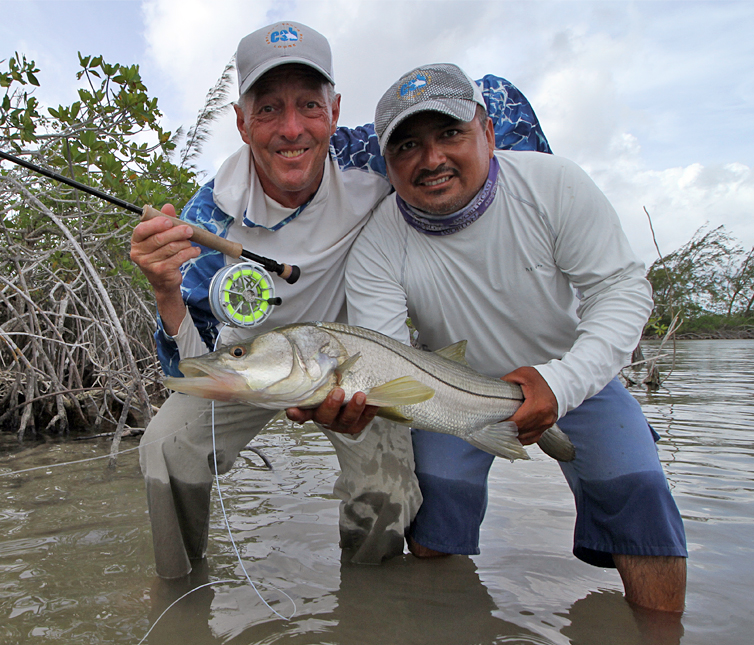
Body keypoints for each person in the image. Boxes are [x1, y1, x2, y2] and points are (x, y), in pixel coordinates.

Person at [130, 21, 551, 578]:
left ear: (334, 112)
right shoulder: (209, 217)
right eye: (268, 109)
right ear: (241, 123)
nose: (291, 129)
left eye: (309, 105)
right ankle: (179, 590)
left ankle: (367, 608)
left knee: (389, 494)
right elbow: (189, 365)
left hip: (360, 363)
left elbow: (494, 101)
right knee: (165, 447)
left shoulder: (373, 158)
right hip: (252, 364)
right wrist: (165, 289)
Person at [338, 63, 687, 612]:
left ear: (489, 132)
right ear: (387, 162)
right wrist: (351, 403)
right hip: (450, 391)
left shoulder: (555, 184)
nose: (432, 159)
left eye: (450, 133)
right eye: (407, 145)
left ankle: (662, 638)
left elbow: (621, 290)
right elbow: (387, 362)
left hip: (574, 374)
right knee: (433, 510)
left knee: (640, 499)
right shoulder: (377, 245)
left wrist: (560, 384)